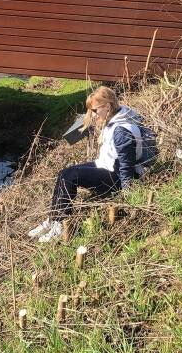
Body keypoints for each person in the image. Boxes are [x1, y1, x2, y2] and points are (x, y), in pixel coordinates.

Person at [28, 87, 157, 242]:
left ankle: (61, 225)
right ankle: (53, 219)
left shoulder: (121, 130)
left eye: (95, 110)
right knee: (65, 173)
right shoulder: (116, 118)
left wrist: (128, 194)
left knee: (71, 176)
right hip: (107, 165)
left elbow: (126, 165)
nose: (93, 115)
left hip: (115, 177)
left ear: (108, 106)